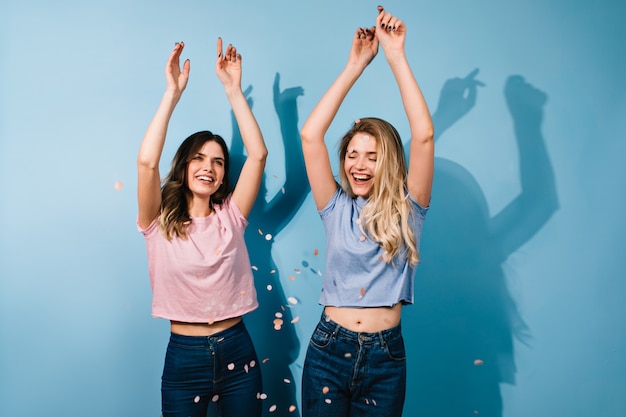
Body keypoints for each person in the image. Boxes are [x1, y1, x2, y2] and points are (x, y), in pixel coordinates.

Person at [299, 6, 434, 416]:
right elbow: (310, 135)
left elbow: (424, 136)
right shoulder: (335, 206)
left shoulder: (409, 209)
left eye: (372, 156)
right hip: (328, 348)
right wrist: (355, 65)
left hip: (385, 358)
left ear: (389, 162)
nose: (359, 164)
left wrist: (395, 56)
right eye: (352, 155)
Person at [137, 38, 267, 417]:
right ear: (184, 166)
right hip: (185, 357)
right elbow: (146, 164)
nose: (208, 166)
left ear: (224, 175)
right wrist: (172, 95)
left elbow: (258, 155)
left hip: (237, 347)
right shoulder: (157, 222)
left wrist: (233, 90)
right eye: (199, 158)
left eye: (218, 162)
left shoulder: (231, 216)